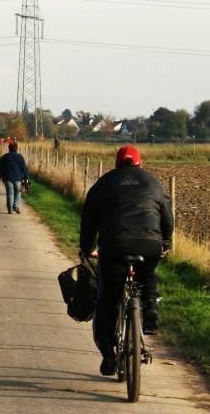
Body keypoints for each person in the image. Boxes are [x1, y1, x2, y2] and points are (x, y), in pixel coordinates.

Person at [79, 145, 173, 376]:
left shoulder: (104, 183)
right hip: (149, 242)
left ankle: (109, 355)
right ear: (140, 163)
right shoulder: (153, 182)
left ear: (117, 163)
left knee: (107, 298)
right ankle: (150, 308)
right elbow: (167, 216)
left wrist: (86, 248)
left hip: (114, 244)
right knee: (147, 274)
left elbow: (88, 219)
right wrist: (166, 242)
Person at [0, 141, 28, 214]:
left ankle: (10, 209)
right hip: (18, 178)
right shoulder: (20, 157)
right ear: (16, 149)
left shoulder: (5, 157)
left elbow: (0, 167)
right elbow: (24, 169)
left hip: (7, 178)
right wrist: (26, 177)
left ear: (9, 148)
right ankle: (16, 206)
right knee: (18, 192)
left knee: (9, 193)